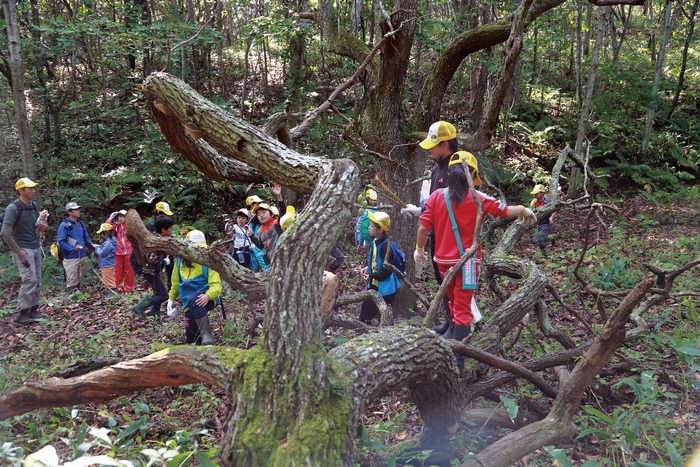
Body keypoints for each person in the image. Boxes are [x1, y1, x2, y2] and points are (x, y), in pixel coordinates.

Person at [414, 152, 536, 367]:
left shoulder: (436, 197)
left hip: (443, 260)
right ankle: (459, 360)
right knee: (462, 307)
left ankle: (453, 347)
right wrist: (525, 209)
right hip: (468, 262)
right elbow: (505, 211)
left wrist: (419, 250)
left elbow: (424, 226)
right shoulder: (479, 198)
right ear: (472, 173)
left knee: (453, 300)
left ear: (450, 174)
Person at [401, 121, 462, 336]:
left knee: (453, 280)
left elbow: (456, 202)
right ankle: (449, 320)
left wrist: (424, 211)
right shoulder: (437, 167)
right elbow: (435, 199)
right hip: (438, 231)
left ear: (445, 144)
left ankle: (457, 325)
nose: (429, 149)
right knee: (441, 278)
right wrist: (422, 209)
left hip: (452, 234)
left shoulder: (457, 168)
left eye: (434, 145)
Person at [1, 178, 48, 325]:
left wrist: (41, 228)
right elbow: (5, 233)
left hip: (34, 246)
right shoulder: (13, 208)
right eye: (30, 188)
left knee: (38, 280)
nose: (33, 191)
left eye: (34, 188)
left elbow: (35, 228)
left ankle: (33, 310)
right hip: (23, 249)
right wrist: (18, 251)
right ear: (21, 191)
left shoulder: (33, 205)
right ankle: (20, 314)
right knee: (29, 280)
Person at [167, 230, 222, 345]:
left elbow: (216, 285)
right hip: (188, 303)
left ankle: (208, 339)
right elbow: (175, 283)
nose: (198, 250)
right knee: (192, 338)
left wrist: (208, 295)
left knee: (195, 300)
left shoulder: (208, 262)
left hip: (208, 299)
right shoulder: (179, 262)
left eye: (200, 247)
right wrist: (171, 299)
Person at [360, 211, 401, 324]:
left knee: (370, 310)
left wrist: (371, 276)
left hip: (385, 287)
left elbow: (386, 271)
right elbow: (375, 261)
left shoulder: (385, 247)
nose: (369, 227)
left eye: (372, 226)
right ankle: (366, 326)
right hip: (376, 282)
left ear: (380, 230)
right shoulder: (375, 241)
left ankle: (364, 329)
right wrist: (367, 268)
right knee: (368, 310)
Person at [133, 216, 173, 321]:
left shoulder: (157, 238)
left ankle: (154, 316)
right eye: (170, 229)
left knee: (158, 294)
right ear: (163, 230)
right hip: (151, 273)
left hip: (154, 272)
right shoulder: (157, 242)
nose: (171, 231)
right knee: (163, 296)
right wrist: (164, 262)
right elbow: (151, 260)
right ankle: (140, 307)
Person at [57, 202, 96, 293]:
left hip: (82, 255)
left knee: (80, 277)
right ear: (69, 212)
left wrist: (91, 245)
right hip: (70, 258)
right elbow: (61, 242)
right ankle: (72, 300)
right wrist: (73, 249)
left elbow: (86, 238)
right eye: (76, 210)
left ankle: (78, 296)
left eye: (79, 209)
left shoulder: (80, 224)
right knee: (72, 279)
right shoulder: (64, 226)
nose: (79, 211)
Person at [106, 209, 134, 292]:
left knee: (129, 271)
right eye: (119, 216)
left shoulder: (130, 226)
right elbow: (106, 227)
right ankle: (118, 288)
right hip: (118, 252)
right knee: (118, 271)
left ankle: (128, 288)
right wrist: (110, 218)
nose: (121, 218)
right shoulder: (116, 226)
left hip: (129, 251)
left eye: (123, 216)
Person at [249, 203, 283, 268]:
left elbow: (283, 213)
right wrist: (251, 235)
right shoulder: (260, 230)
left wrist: (279, 198)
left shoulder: (277, 223)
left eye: (264, 212)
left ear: (271, 214)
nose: (261, 215)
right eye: (258, 214)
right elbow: (261, 246)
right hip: (271, 261)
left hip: (282, 256)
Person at [530, 184, 556, 257]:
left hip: (546, 223)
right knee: (535, 240)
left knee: (540, 240)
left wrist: (551, 217)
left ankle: (545, 255)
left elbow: (555, 209)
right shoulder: (536, 202)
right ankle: (552, 237)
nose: (535, 195)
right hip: (539, 224)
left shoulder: (547, 201)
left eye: (536, 193)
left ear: (542, 193)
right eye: (534, 193)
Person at [94, 223, 117, 296]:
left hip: (107, 264)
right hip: (109, 263)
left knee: (109, 282)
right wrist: (99, 246)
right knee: (109, 280)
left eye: (102, 233)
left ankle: (112, 297)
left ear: (106, 233)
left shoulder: (108, 243)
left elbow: (101, 253)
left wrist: (96, 248)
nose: (102, 235)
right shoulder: (111, 241)